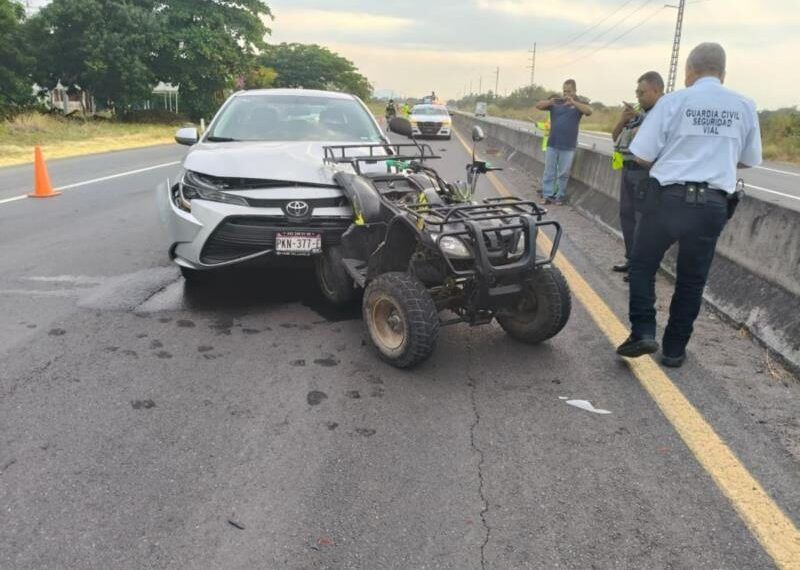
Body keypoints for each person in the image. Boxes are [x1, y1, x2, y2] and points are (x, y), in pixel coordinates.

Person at [616, 43, 762, 367]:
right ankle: (674, 351)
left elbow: (641, 155)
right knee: (691, 280)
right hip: (712, 204)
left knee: (642, 265)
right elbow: (750, 159)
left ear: (689, 71)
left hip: (668, 200)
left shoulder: (673, 101)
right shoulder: (744, 105)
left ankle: (643, 330)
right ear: (723, 73)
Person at [610, 71, 665, 281]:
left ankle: (643, 267)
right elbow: (616, 139)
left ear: (657, 90)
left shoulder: (662, 115)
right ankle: (632, 259)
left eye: (642, 92)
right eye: (637, 92)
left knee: (645, 222)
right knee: (628, 217)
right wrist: (622, 120)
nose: (638, 96)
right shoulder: (638, 115)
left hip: (647, 174)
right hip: (628, 169)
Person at [535, 79, 593, 205]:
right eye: (564, 91)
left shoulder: (578, 105)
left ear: (575, 91)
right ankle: (547, 194)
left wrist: (574, 102)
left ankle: (560, 196)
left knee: (563, 173)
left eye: (569, 91)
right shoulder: (556, 103)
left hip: (568, 146)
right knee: (549, 171)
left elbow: (589, 111)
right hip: (552, 144)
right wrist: (550, 102)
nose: (566, 94)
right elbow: (538, 105)